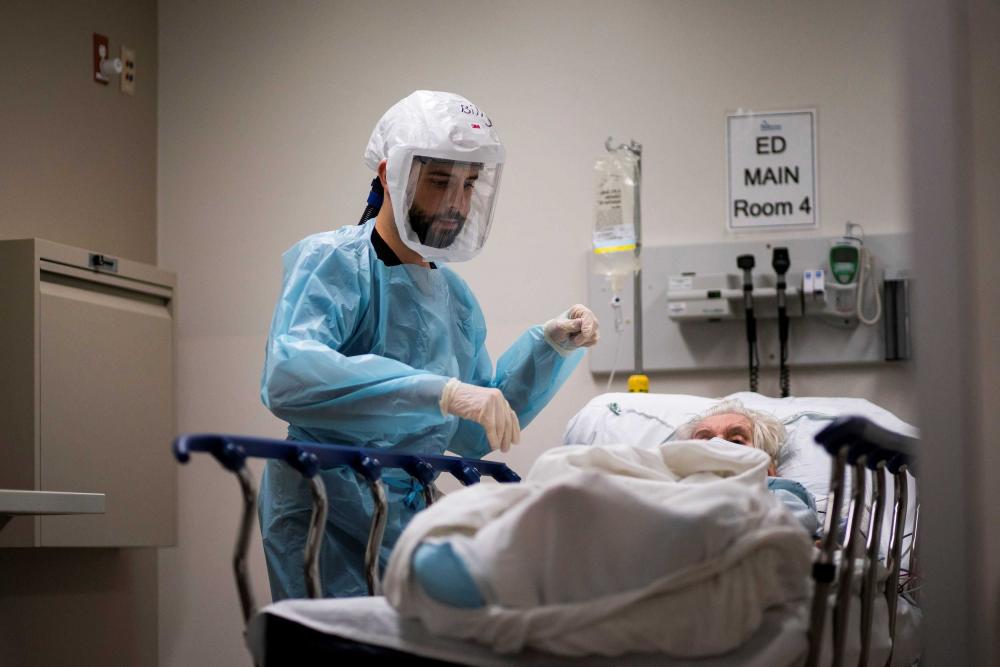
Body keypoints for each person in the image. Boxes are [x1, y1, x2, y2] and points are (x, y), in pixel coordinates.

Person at [257, 90, 600, 600]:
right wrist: (438, 391)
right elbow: (291, 375)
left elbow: (472, 433)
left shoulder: (452, 297)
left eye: (469, 184)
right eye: (440, 182)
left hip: (408, 514)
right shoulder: (335, 263)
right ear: (389, 176)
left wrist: (550, 347)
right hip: (326, 508)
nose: (457, 203)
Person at [674, 399, 819, 534]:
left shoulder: (777, 494)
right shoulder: (669, 487)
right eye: (704, 441)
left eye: (736, 441)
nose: (717, 445)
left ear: (768, 468)